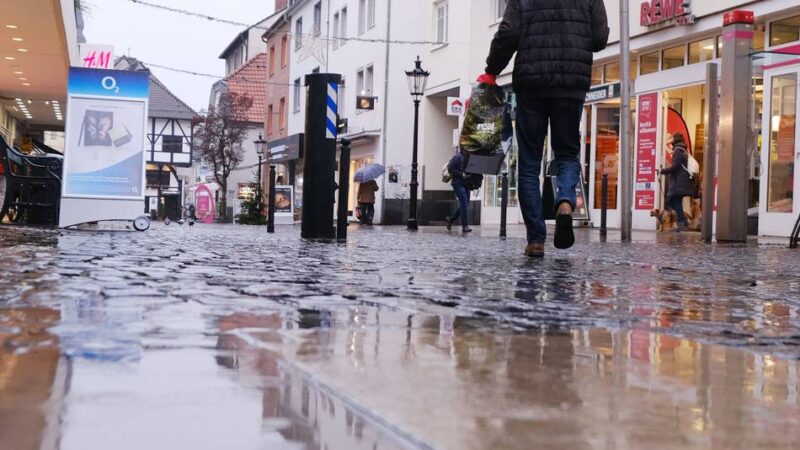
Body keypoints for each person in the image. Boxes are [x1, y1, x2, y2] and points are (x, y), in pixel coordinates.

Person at [481, 0, 609, 257]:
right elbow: (599, 38)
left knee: (529, 163)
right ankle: (565, 203)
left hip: (531, 84)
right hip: (571, 82)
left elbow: (508, 33)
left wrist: (492, 70)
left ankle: (536, 240)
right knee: (567, 154)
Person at [659, 132, 694, 232]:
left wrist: (663, 171)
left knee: (674, 201)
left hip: (679, 182)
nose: (671, 140)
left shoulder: (677, 151)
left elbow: (675, 167)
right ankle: (682, 222)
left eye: (672, 138)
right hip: (683, 182)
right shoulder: (683, 150)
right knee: (676, 201)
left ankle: (682, 222)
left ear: (675, 139)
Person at [446, 151, 482, 233]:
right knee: (464, 203)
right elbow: (450, 169)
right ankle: (465, 226)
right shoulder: (457, 157)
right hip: (457, 183)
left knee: (465, 204)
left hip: (466, 184)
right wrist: (461, 174)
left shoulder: (470, 158)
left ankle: (451, 219)